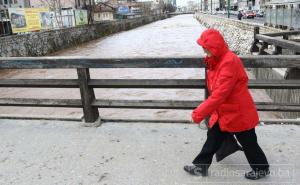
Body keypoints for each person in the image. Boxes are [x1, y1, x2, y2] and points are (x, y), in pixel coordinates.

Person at [184, 29, 270, 180]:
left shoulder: (229, 62)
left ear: (214, 48)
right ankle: (201, 166)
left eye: (206, 48)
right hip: (225, 111)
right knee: (212, 138)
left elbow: (219, 94)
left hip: (238, 113)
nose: (204, 50)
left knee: (249, 142)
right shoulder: (217, 60)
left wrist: (198, 114)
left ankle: (261, 169)